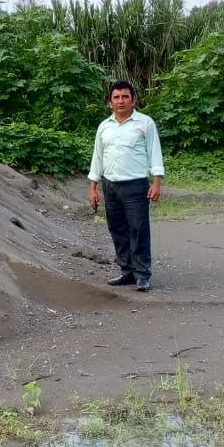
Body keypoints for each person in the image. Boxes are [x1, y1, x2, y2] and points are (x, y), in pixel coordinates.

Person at [87, 80, 164, 291]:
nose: (120, 101)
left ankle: (142, 274)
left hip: (136, 186)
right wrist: (93, 188)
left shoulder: (145, 123)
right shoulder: (104, 127)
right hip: (110, 186)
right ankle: (127, 271)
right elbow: (97, 158)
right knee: (117, 229)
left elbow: (154, 152)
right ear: (110, 102)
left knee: (138, 229)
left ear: (133, 100)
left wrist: (156, 182)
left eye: (125, 97)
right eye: (116, 97)